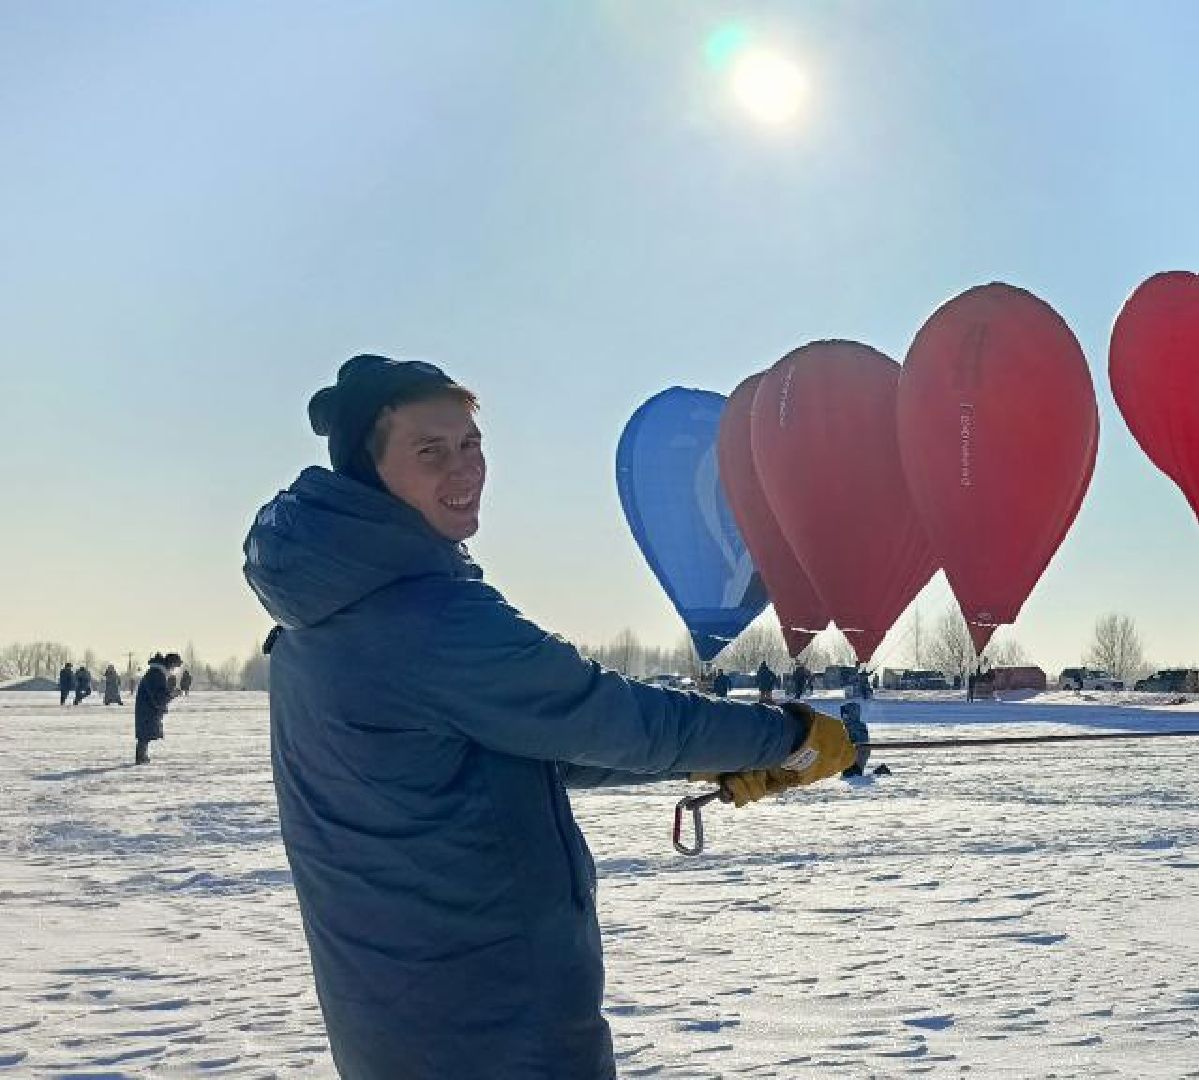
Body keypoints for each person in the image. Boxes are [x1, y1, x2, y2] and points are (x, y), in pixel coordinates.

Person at [242, 355, 857, 1077]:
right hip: (493, 1022)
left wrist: (721, 759)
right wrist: (786, 737)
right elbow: (606, 715)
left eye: (470, 444)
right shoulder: (427, 618)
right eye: (430, 451)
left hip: (394, 1015)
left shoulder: (321, 613)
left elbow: (519, 749)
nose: (464, 469)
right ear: (368, 470)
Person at [133, 654, 173, 763]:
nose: (173, 670)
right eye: (173, 667)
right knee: (145, 734)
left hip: (146, 708)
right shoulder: (156, 675)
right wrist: (171, 695)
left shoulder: (155, 673)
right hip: (148, 709)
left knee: (145, 734)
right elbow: (158, 696)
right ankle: (141, 757)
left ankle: (142, 756)